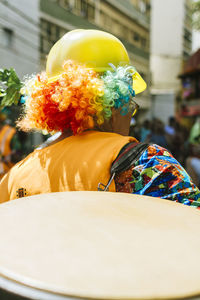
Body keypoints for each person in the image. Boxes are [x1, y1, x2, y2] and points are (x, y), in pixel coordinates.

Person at [0, 29, 200, 207]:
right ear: (114, 103)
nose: (131, 113)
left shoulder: (15, 177)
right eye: (130, 104)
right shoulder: (146, 163)